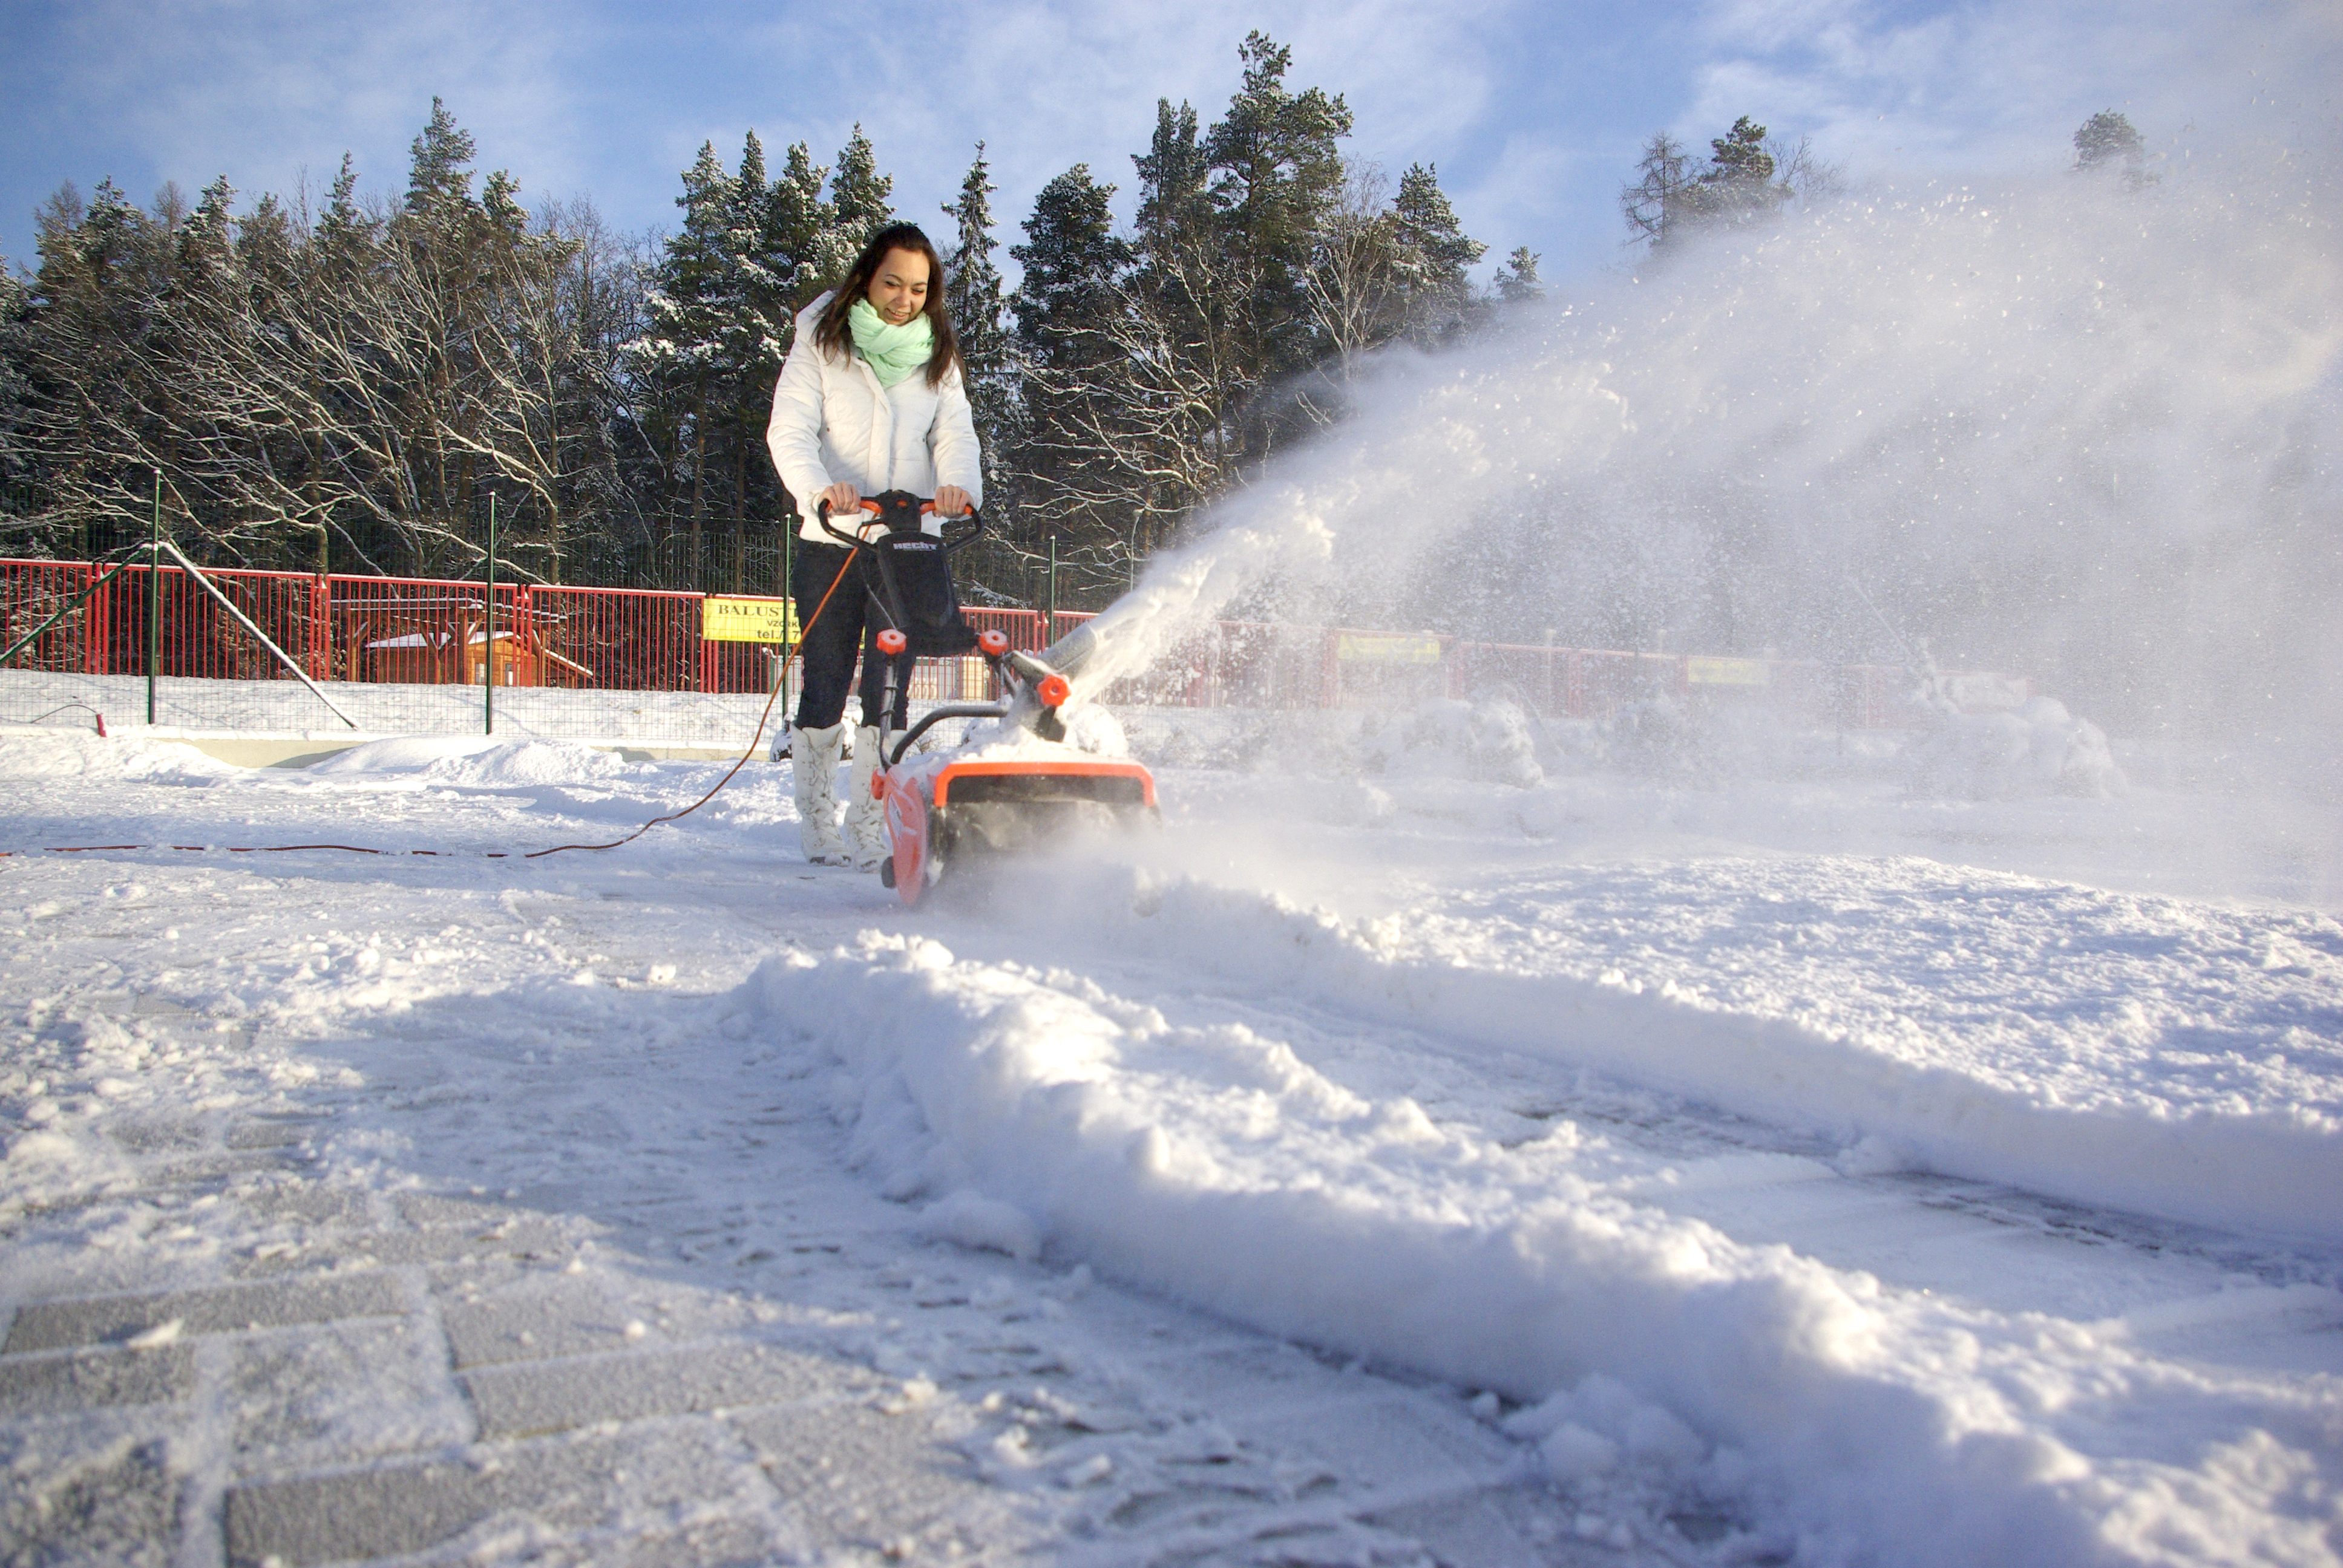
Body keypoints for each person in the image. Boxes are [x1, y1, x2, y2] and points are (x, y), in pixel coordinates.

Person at [766, 223, 981, 867]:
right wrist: (818, 492)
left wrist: (956, 489)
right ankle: (817, 821)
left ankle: (866, 821)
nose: (904, 299)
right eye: (892, 283)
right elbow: (790, 433)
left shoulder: (936, 353)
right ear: (866, 278)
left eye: (918, 288)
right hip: (833, 537)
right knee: (828, 679)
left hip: (905, 542)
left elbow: (955, 436)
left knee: (890, 687)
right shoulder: (821, 342)